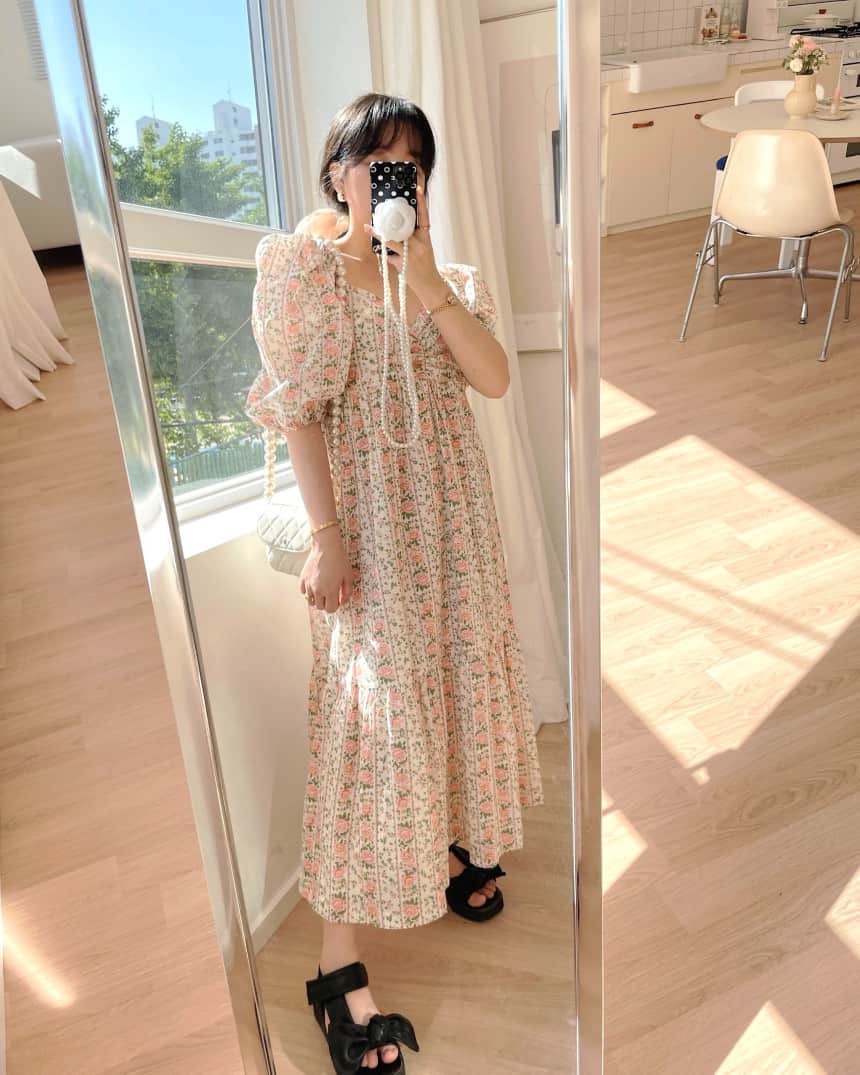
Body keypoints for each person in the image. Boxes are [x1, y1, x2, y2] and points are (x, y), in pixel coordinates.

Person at [245, 92, 544, 1075]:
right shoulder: (304, 274)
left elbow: (493, 380)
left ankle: (457, 842)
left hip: (456, 532)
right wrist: (326, 537)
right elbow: (299, 411)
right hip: (371, 539)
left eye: (410, 163)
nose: (394, 175)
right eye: (376, 159)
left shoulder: (445, 277)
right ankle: (334, 967)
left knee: (455, 690)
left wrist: (423, 279)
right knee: (372, 727)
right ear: (338, 174)